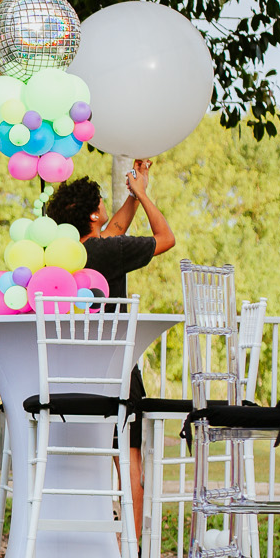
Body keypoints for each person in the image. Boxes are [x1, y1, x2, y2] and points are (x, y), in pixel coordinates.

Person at [41, 159, 176, 533]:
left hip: (74, 377)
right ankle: (130, 549)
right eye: (100, 202)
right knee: (128, 458)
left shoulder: (66, 258)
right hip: (116, 373)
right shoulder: (110, 252)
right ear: (92, 214)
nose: (105, 208)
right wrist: (143, 196)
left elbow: (114, 229)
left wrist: (133, 190)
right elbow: (166, 238)